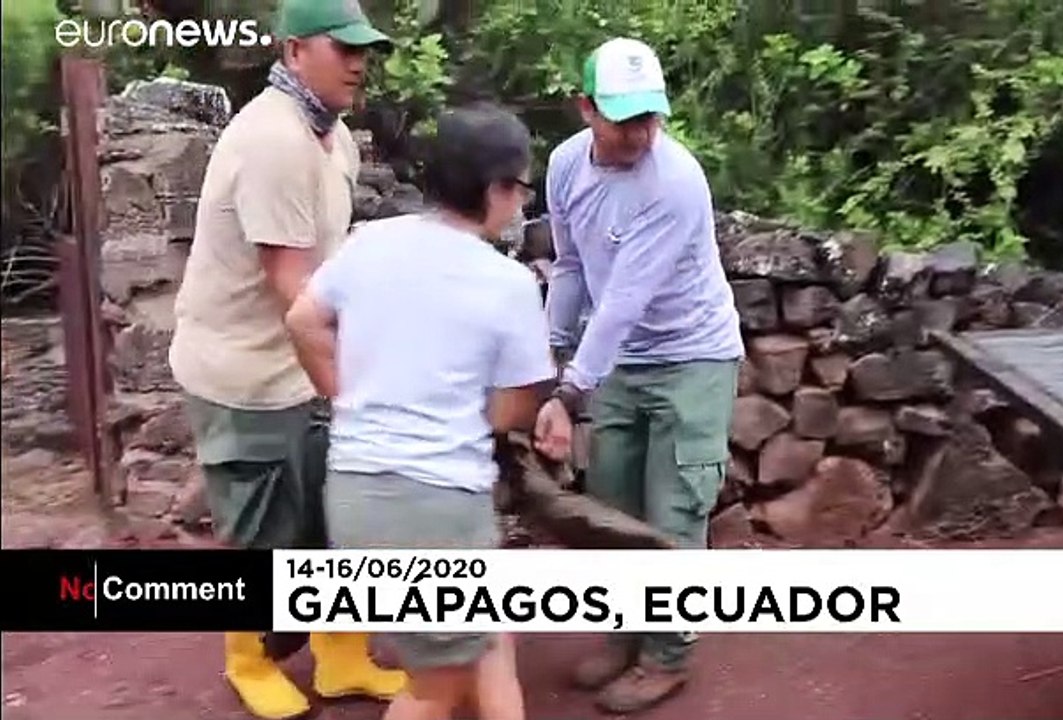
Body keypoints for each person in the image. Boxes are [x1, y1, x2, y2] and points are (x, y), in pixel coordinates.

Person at [284, 104, 569, 720]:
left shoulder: (371, 243)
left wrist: (349, 399)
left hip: (358, 493)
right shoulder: (507, 283)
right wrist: (466, 421)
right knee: (434, 687)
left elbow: (303, 319)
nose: (521, 204)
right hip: (434, 507)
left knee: (489, 641)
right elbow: (518, 403)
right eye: (520, 188)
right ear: (495, 188)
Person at [167, 1, 405, 717]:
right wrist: (356, 381)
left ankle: (340, 656)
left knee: (334, 518)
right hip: (244, 372)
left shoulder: (333, 139)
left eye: (367, 48)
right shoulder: (273, 140)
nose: (360, 61)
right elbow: (293, 286)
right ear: (296, 50)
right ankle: (247, 659)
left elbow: (330, 268)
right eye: (344, 47)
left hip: (296, 363)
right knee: (261, 529)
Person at [533, 37, 745, 715]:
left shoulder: (675, 179)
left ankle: (666, 656)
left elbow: (625, 298)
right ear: (585, 107)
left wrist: (570, 389)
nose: (639, 133)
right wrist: (546, 358)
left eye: (649, 116)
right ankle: (624, 636)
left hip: (693, 358)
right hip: (622, 360)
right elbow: (570, 269)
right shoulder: (567, 166)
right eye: (623, 118)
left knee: (676, 512)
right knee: (616, 505)